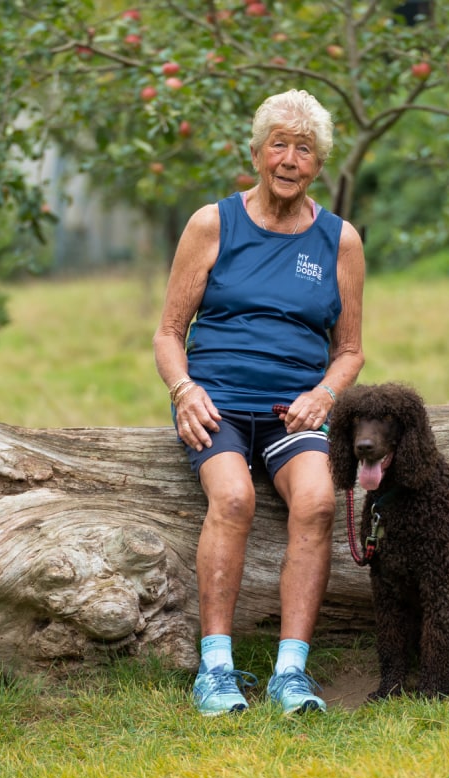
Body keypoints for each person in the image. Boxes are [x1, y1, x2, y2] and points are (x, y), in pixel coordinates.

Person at [153, 89, 366, 716]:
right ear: (256, 151)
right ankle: (215, 669)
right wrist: (183, 389)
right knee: (235, 497)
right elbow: (168, 332)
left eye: (304, 149)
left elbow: (350, 349)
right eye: (280, 144)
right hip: (213, 403)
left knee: (320, 500)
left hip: (289, 411)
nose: (290, 159)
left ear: (319, 164)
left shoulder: (339, 240)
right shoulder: (212, 223)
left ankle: (290, 674)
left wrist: (324, 394)